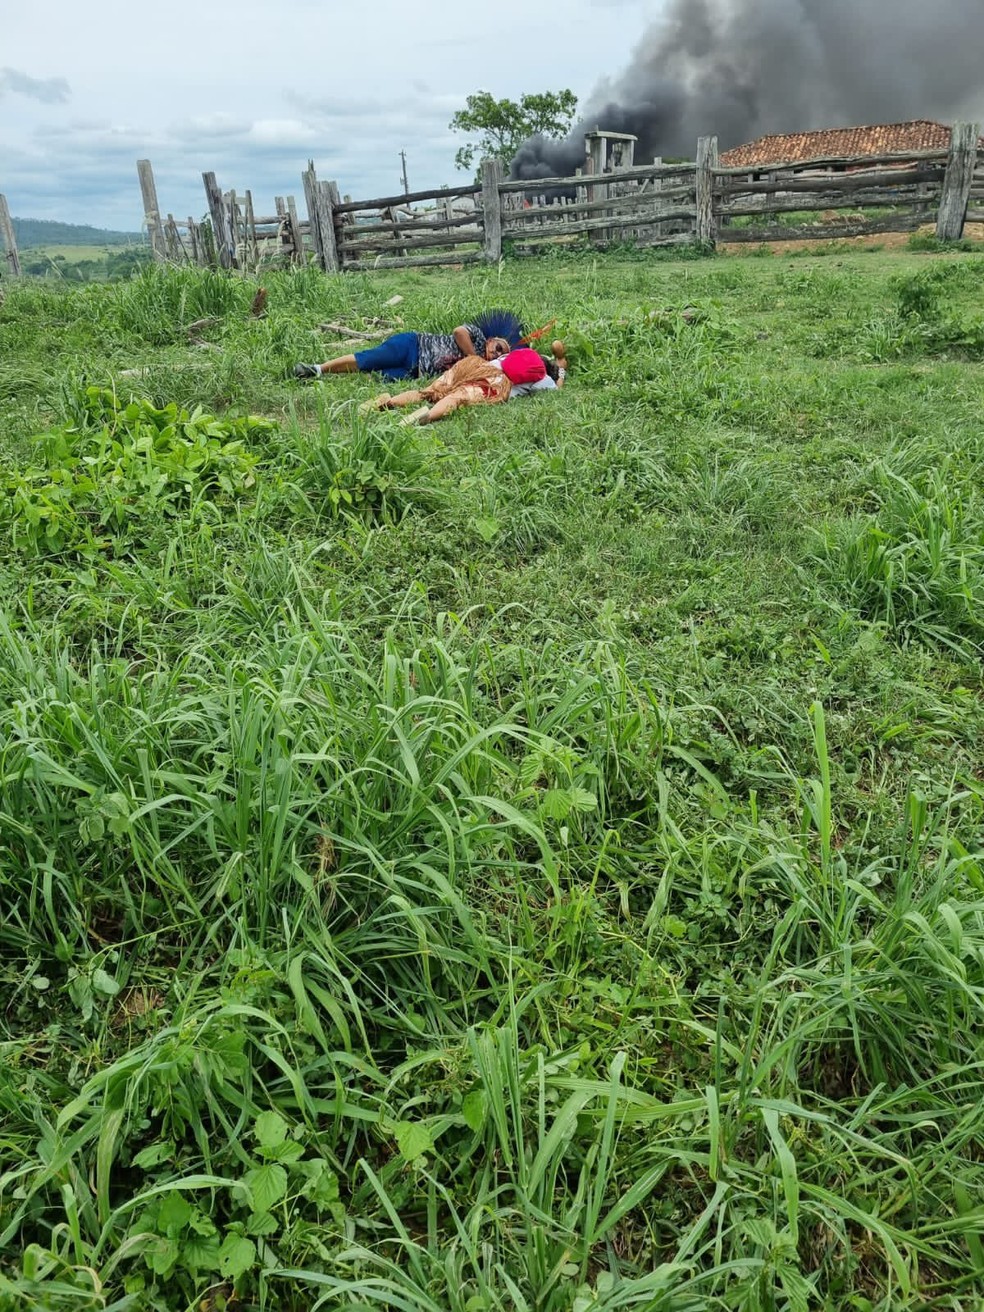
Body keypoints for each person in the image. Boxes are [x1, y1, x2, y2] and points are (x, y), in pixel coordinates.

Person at [362, 342, 567, 425]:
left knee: (428, 391)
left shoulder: (518, 352)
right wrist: (562, 370)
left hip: (473, 365)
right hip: (495, 382)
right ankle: (423, 418)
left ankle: (387, 402)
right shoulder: (544, 379)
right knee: (457, 397)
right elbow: (557, 390)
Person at [293, 308, 524, 382]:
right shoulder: (477, 336)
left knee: (373, 375)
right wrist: (472, 356)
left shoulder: (481, 366)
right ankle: (317, 368)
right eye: (500, 346)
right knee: (369, 358)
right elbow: (458, 331)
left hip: (414, 371)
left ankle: (334, 373)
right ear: (493, 339)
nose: (497, 352)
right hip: (413, 345)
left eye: (501, 354)